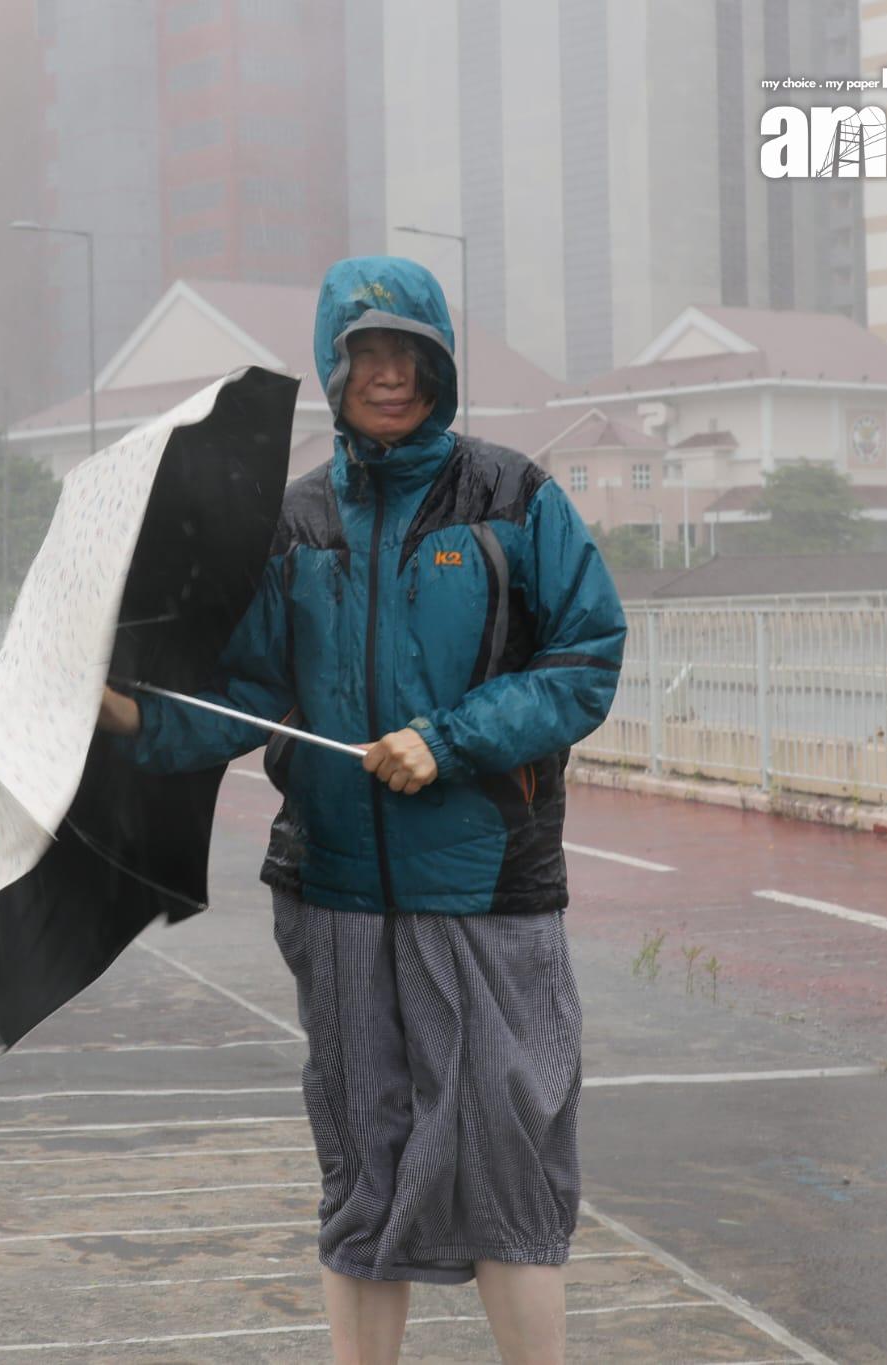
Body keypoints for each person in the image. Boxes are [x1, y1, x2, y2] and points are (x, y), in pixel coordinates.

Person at [96, 255, 626, 1365]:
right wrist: (134, 721)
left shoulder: (510, 495)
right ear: (331, 370)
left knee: (507, 1147)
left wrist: (446, 739)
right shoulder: (293, 519)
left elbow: (583, 659)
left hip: (484, 890)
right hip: (333, 893)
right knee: (362, 1159)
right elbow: (245, 695)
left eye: (408, 353)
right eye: (363, 355)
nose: (388, 375)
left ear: (438, 361)